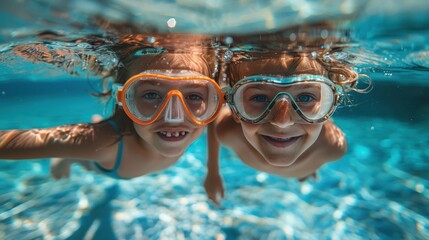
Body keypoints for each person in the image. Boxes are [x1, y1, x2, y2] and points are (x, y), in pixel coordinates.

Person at [0, 52, 224, 180]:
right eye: (152, 94)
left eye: (194, 96)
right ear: (125, 99)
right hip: (97, 159)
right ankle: (66, 156)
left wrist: (213, 172)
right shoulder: (104, 145)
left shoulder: (205, 117)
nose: (175, 116)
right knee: (68, 160)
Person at [204, 51, 370, 205]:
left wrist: (309, 167)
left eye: (305, 97)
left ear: (328, 106)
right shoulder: (228, 132)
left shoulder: (333, 147)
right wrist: (213, 172)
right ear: (235, 109)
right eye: (260, 97)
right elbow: (215, 113)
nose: (282, 121)